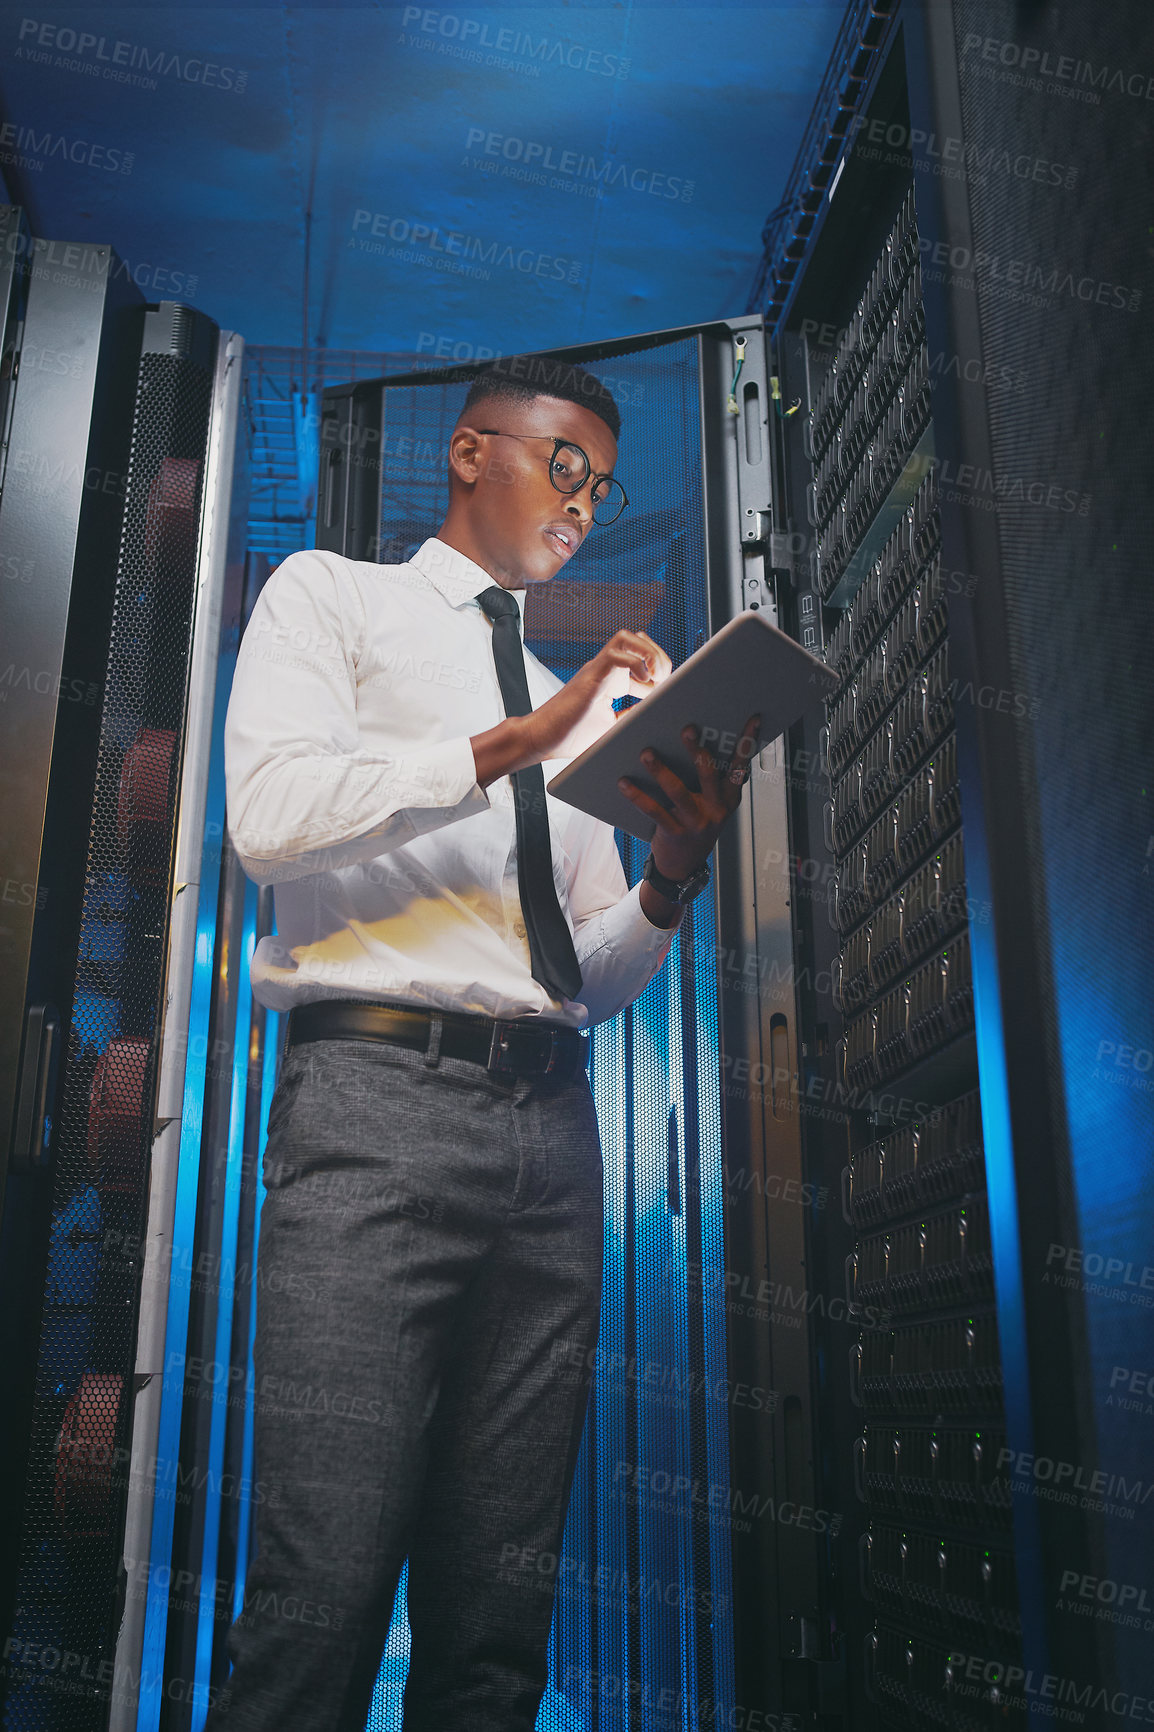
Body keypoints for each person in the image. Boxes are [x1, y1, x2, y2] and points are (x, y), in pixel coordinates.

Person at [211, 356, 759, 1731]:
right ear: (471, 452)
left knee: (497, 1614)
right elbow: (265, 818)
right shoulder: (333, 599)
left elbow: (588, 974)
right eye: (560, 465)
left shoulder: (577, 696)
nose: (581, 505)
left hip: (548, 1135)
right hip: (372, 1116)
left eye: (601, 486)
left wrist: (673, 871)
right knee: (319, 1582)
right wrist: (519, 737)